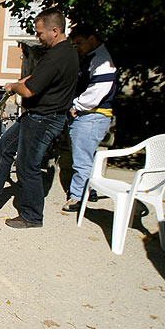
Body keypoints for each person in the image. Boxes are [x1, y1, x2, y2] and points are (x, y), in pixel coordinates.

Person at [0, 7, 79, 228]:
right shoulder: (65, 52)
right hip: (36, 117)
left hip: (43, 119)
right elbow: (36, 78)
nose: (37, 37)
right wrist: (19, 83)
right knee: (3, 148)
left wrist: (14, 86)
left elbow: (29, 90)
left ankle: (31, 216)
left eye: (40, 33)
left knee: (27, 166)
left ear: (55, 30)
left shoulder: (58, 56)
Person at [62, 25, 117, 212]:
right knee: (87, 157)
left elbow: (98, 90)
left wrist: (77, 105)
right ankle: (90, 190)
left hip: (92, 115)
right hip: (92, 115)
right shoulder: (93, 58)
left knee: (81, 159)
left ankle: (77, 198)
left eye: (80, 43)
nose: (77, 47)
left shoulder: (102, 61)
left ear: (92, 38)